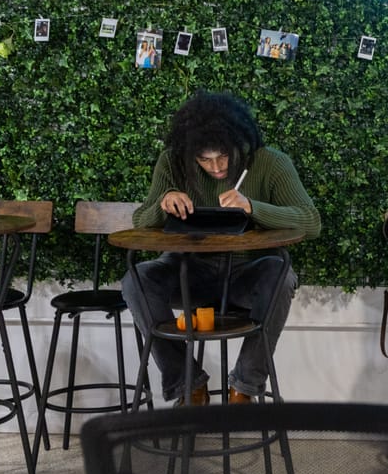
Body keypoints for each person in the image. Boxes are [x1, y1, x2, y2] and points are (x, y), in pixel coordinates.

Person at [123, 91, 322, 406]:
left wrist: (252, 208)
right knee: (137, 280)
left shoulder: (270, 162)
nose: (215, 167)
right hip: (189, 273)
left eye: (223, 157)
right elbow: (141, 220)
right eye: (204, 159)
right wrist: (164, 203)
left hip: (247, 275)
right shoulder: (173, 163)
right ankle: (188, 384)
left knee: (280, 275)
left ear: (240, 143)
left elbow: (311, 222)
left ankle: (245, 385)